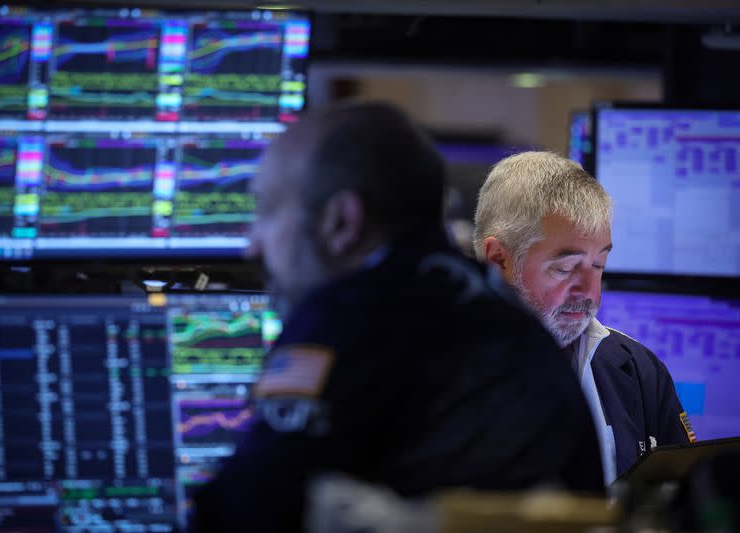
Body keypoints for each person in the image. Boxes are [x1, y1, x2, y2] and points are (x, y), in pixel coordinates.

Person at [192, 103, 604, 532]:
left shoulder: (354, 315)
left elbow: (245, 510)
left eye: (267, 211)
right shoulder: (488, 302)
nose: (252, 246)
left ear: (341, 222)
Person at [473, 151, 694, 485]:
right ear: (498, 260)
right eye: (565, 268)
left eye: (598, 266)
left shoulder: (641, 371)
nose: (590, 293)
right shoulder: (423, 374)